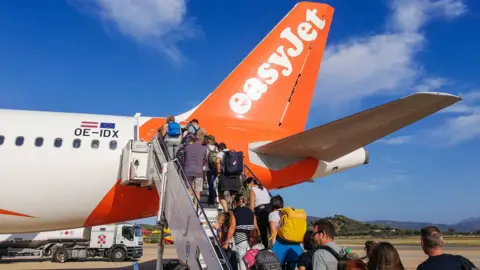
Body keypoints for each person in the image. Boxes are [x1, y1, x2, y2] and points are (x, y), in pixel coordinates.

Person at [223, 194, 260, 270]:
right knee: (251, 259)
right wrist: (258, 239)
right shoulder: (251, 211)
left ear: (235, 202)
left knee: (242, 260)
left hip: (240, 237)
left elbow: (232, 226)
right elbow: (255, 226)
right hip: (252, 238)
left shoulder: (234, 212)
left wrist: (227, 242)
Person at [268, 195, 302, 270]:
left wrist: (273, 247)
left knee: (280, 266)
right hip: (294, 244)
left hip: (280, 243)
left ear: (272, 204)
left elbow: (273, 231)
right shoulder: (288, 213)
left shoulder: (272, 214)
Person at [182, 133, 208, 208]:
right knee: (197, 191)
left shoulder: (187, 147)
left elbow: (184, 159)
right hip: (198, 171)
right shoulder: (204, 148)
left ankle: (188, 206)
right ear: (201, 140)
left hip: (188, 170)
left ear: (194, 139)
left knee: (189, 189)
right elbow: (205, 160)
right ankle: (195, 206)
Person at [246, 177, 271, 248]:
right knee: (270, 231)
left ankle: (264, 248)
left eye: (247, 184)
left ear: (251, 183)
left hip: (261, 211)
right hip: (268, 210)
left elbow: (251, 206)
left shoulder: (252, 190)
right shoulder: (263, 188)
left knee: (262, 233)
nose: (247, 186)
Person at [216, 142, 241, 212]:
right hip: (234, 176)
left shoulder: (221, 153)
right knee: (233, 194)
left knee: (221, 194)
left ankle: (226, 211)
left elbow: (217, 161)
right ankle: (237, 209)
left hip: (224, 176)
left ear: (219, 148)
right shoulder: (233, 153)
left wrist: (218, 173)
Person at [205, 135, 219, 207]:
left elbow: (205, 158)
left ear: (208, 140)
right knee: (213, 183)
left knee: (210, 184)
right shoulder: (216, 148)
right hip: (215, 168)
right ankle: (215, 197)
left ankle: (211, 200)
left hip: (208, 168)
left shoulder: (206, 147)